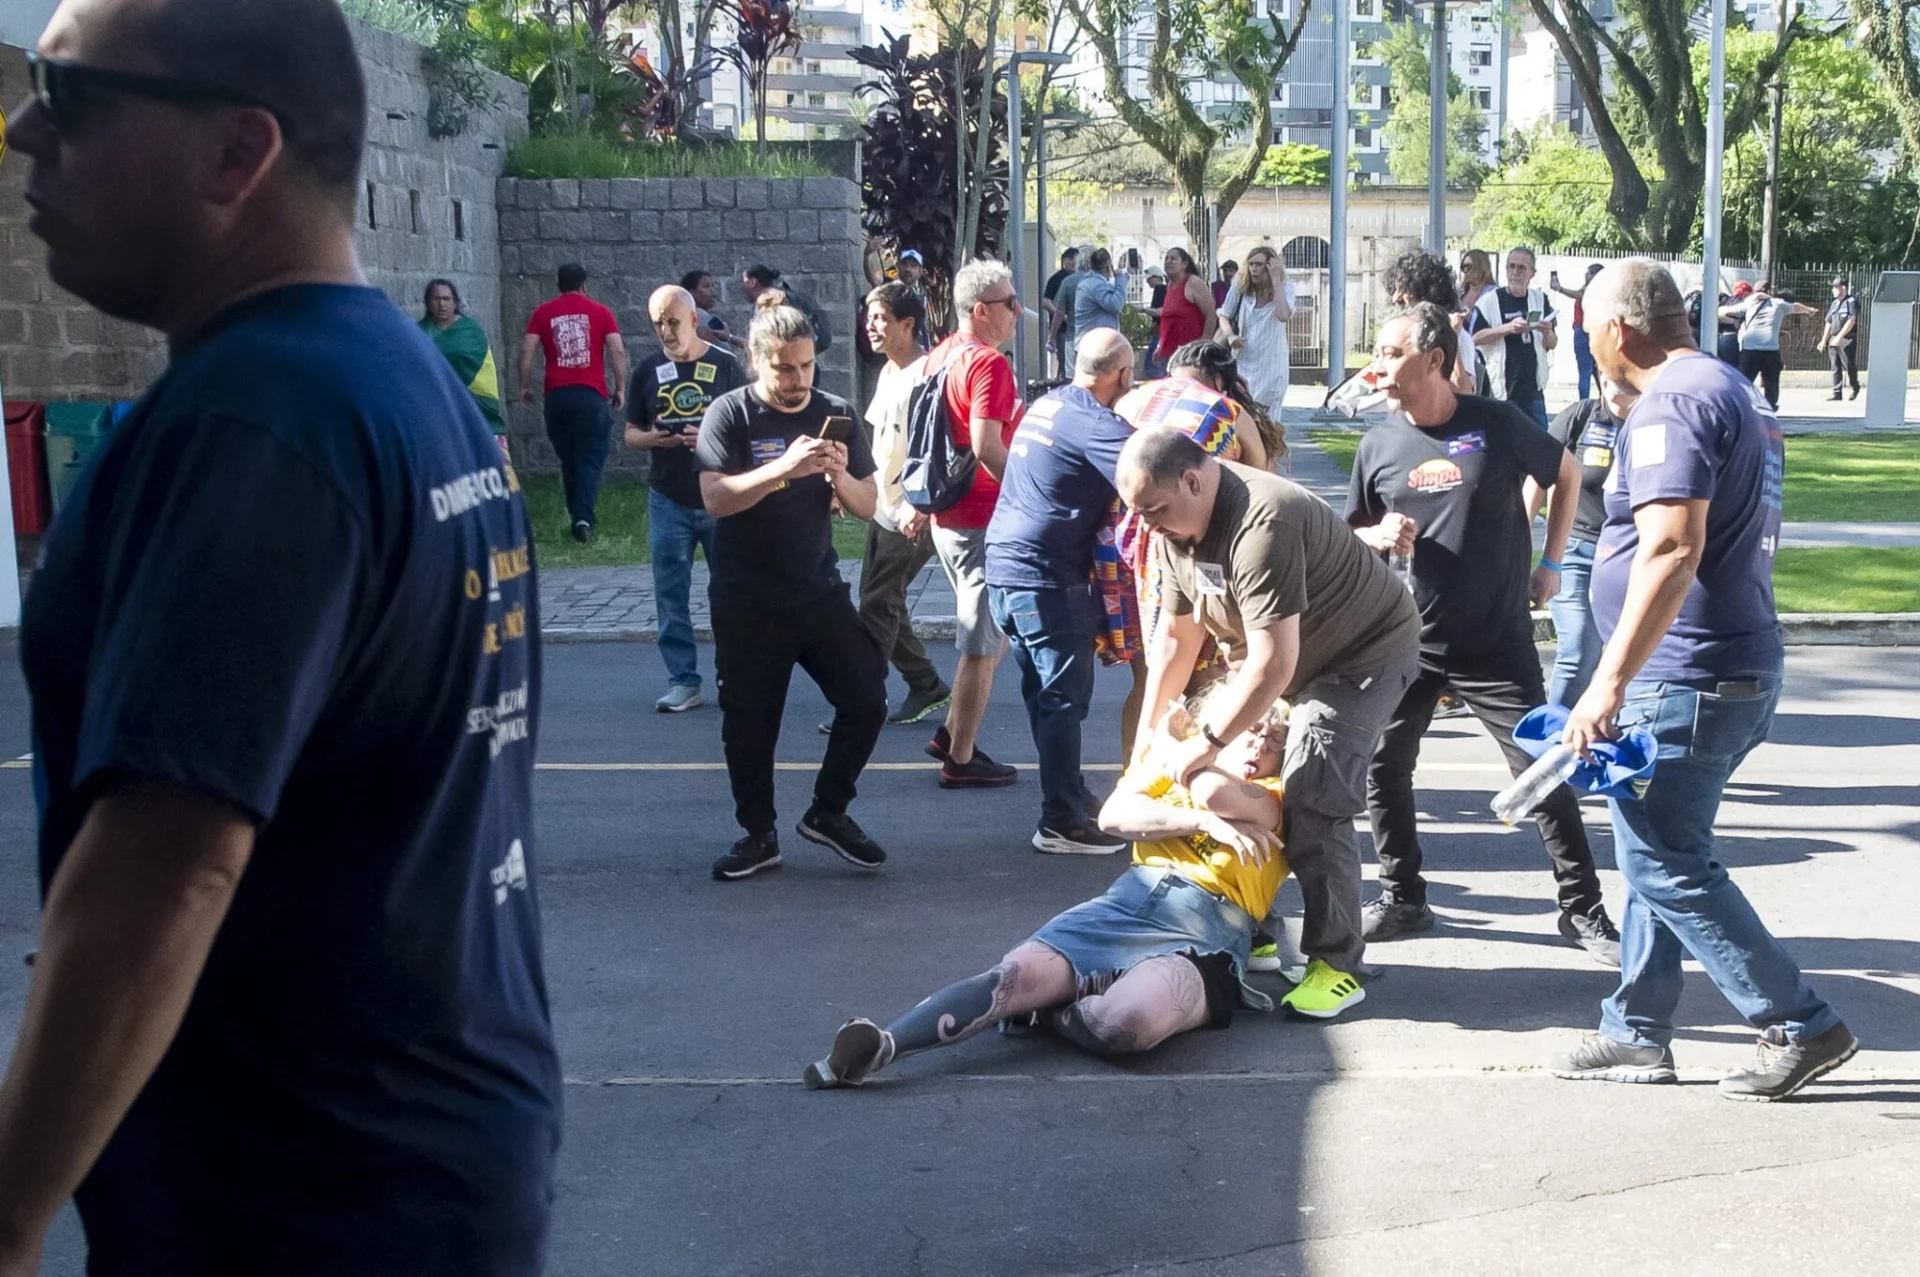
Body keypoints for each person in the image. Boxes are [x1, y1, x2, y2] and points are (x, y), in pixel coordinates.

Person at [2, 0, 561, 1271]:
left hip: (304, 1202)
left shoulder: (259, 425)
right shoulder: (394, 378)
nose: (25, 129)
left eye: (69, 95)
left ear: (235, 152)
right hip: (427, 1153)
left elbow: (167, 863)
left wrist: (8, 1207)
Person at [1551, 259, 1856, 1100]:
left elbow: (1673, 547)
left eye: (1586, 330)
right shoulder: (1737, 393)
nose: (1588, 346)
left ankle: (1798, 1020)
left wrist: (1606, 682)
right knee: (1666, 848)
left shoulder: (1672, 403)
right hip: (1729, 662)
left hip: (1685, 672)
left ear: (1617, 330)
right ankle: (1638, 1029)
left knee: (1662, 862)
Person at [803, 699, 1289, 1090]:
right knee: (1012, 975)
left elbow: (1212, 794)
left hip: (1205, 934)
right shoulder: (1171, 764)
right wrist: (1198, 818)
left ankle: (1048, 1011)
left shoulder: (1275, 796)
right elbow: (1116, 818)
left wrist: (1188, 749)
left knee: (1130, 1021)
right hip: (1127, 903)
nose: (1260, 746)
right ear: (1223, 725)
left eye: (1274, 740)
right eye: (1252, 729)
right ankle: (880, 1047)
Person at [1347, 305, 1621, 964]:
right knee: (1385, 766)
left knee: (1541, 770)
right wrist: (1376, 535)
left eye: (1389, 353)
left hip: (1494, 643)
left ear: (1435, 359)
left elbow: (1566, 472)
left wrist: (1551, 563)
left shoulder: (1494, 423)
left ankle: (1581, 909)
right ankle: (1404, 895)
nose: (1375, 367)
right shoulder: (1378, 445)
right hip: (1406, 641)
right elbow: (1346, 534)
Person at [1119, 423, 1422, 1019]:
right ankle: (1249, 920)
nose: (1146, 523)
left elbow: (1274, 665)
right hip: (1279, 660)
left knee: (1312, 792)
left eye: (1154, 508)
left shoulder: (1263, 522)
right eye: (1136, 511)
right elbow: (1177, 646)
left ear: (1192, 479)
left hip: (1359, 657)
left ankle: (1337, 965)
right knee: (1230, 780)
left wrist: (1205, 741)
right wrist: (1146, 750)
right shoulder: (1170, 532)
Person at [695, 294, 888, 880]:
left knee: (866, 697)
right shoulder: (729, 414)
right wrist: (785, 468)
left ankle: (829, 811)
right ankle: (758, 835)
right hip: (748, 598)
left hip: (817, 591)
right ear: (757, 361)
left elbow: (868, 502)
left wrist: (834, 470)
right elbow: (716, 499)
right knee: (751, 725)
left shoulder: (835, 410)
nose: (797, 379)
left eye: (805, 365)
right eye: (783, 367)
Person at [983, 328, 1139, 855]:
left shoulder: (1050, 404)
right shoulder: (1094, 422)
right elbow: (1151, 465)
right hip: (1046, 575)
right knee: (1062, 699)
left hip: (1007, 566)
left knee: (1044, 695)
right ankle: (1062, 821)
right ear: (1120, 374)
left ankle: (1068, 793)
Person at [1102, 342, 1270, 765]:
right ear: (1220, 381)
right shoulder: (1230, 412)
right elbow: (1259, 484)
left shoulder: (1134, 400)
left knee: (1151, 673)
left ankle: (1137, 776)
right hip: (1199, 540)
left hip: (1137, 543)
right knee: (1211, 674)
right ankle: (1204, 774)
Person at [919, 260, 1024, 790]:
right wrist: (1029, 494)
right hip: (981, 516)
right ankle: (959, 758)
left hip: (949, 513)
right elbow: (987, 446)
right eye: (1010, 303)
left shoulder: (941, 354)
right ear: (982, 310)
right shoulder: (987, 364)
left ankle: (951, 731)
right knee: (981, 643)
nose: (1018, 311)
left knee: (992, 629)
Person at [624, 284, 746, 713]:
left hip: (718, 498)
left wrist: (709, 440)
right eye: (658, 323)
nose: (665, 331)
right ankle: (683, 681)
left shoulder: (727, 367)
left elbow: (748, 436)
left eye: (673, 321)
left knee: (729, 592)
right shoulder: (647, 371)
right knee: (670, 593)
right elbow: (630, 433)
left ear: (694, 320)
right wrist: (652, 439)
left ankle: (735, 677)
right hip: (668, 499)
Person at [850, 282, 951, 727]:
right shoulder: (888, 371)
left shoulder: (927, 375)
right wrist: (854, 488)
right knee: (880, 600)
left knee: (877, 602)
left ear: (907, 324)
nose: (871, 327)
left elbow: (940, 449)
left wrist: (920, 505)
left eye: (881, 319)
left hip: (912, 512)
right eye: (869, 318)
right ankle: (925, 685)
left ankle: (861, 699)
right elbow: (881, 444)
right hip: (882, 506)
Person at [1529, 377, 1638, 708]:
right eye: (1605, 372)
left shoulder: (1654, 420)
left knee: (1627, 650)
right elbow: (1538, 478)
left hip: (1628, 557)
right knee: (1580, 646)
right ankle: (1556, 734)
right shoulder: (1581, 417)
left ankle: (1609, 724)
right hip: (1574, 550)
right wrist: (1524, 548)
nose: (1613, 379)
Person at [519, 261, 627, 543]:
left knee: (569, 459)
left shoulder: (542, 313)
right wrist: (621, 388)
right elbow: (616, 348)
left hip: (557, 397)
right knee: (590, 458)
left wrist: (525, 385)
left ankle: (575, 512)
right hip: (590, 395)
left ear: (559, 285)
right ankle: (583, 518)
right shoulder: (601, 312)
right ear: (584, 285)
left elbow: (527, 349)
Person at [1468, 247, 1556, 428]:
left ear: (1532, 273)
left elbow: (1552, 343)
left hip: (1533, 390)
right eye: (1511, 267)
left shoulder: (1540, 299)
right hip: (1501, 389)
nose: (1515, 273)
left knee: (1540, 446)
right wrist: (1508, 328)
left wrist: (1546, 331)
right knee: (1503, 446)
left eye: (1521, 268)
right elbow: (1475, 338)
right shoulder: (1489, 301)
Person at [420, 278, 507, 454]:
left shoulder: (470, 332)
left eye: (446, 299)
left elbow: (481, 367)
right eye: (436, 299)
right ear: (428, 303)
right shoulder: (418, 333)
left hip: (473, 406)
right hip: (435, 409)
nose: (441, 304)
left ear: (455, 302)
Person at [1384, 249, 1475, 395]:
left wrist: (1452, 339)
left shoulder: (1459, 338)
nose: (1395, 298)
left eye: (1403, 295)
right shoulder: (1400, 337)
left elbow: (1465, 393)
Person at [1217, 246, 1295, 413]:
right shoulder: (1241, 287)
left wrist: (1275, 280)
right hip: (1245, 359)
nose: (1253, 268)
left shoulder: (1286, 289)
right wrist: (1230, 336)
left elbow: (1283, 315)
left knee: (1268, 419)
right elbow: (1224, 314)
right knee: (1242, 412)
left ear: (1270, 266)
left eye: (1259, 264)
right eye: (1251, 264)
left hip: (1273, 364)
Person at [1722, 280, 1815, 411]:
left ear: (1755, 292)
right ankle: (1770, 409)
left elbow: (1724, 312)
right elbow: (1796, 307)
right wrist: (1809, 310)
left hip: (1750, 350)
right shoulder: (1779, 304)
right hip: (1770, 350)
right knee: (1771, 383)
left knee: (1744, 382)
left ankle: (1742, 407)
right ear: (1769, 291)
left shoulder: (1749, 304)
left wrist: (1734, 321)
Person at [742, 263, 831, 354]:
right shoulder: (766, 303)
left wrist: (729, 337)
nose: (742, 288)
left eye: (744, 282)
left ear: (752, 282)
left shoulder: (776, 302)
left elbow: (769, 344)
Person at [1155, 247, 1218, 369]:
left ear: (1184, 264)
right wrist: (1160, 345)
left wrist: (1203, 344)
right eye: (1166, 258)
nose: (1168, 261)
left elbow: (1211, 315)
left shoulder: (1193, 282)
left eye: (1173, 258)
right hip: (1169, 355)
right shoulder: (1170, 286)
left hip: (1190, 357)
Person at [1551, 262, 1606, 400]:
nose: (1585, 275)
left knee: (1584, 370)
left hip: (1583, 330)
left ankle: (1584, 402)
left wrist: (1560, 289)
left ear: (1595, 276)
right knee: (1595, 368)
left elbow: (1578, 295)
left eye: (1589, 272)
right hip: (1594, 330)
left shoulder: (1592, 290)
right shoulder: (1601, 290)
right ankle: (1603, 399)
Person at [1816, 276, 1860, 402]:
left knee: (1848, 365)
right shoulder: (1834, 303)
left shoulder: (1851, 302)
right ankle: (1836, 392)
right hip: (1833, 338)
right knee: (1835, 366)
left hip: (1846, 339)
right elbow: (1828, 322)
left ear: (1843, 287)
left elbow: (1851, 320)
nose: (1833, 290)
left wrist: (1840, 337)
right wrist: (1824, 340)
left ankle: (1854, 387)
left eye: (1835, 287)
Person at [1072, 247, 1128, 341]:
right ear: (1108, 267)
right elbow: (1115, 305)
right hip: (1095, 344)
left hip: (1090, 341)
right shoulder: (1097, 285)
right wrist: (1121, 279)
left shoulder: (1090, 281)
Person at [1041, 245, 1080, 380]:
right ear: (1065, 260)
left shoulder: (1081, 278)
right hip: (1063, 329)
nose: (1074, 263)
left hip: (1079, 328)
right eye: (1072, 259)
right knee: (1064, 364)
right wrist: (1062, 316)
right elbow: (1046, 301)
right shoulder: (1057, 279)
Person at [1053, 246, 1094, 371]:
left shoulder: (1068, 282)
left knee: (1072, 376)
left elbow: (1059, 312)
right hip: (1096, 337)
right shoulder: (1102, 282)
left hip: (1073, 336)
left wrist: (1051, 337)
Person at [680, 268, 738, 350]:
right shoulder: (701, 316)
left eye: (713, 286)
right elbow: (724, 349)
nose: (713, 291)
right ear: (692, 292)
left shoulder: (682, 317)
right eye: (706, 286)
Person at [894, 248, 933, 347]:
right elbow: (873, 278)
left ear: (920, 271)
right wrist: (867, 256)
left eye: (913, 266)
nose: (908, 269)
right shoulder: (890, 289)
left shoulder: (921, 296)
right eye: (905, 264)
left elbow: (924, 328)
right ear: (898, 267)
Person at [1142, 264, 1169, 377]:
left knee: (1152, 365)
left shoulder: (1159, 289)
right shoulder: (1166, 289)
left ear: (1156, 277)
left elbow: (1159, 311)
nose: (1148, 281)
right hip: (1162, 329)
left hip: (1159, 329)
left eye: (1149, 278)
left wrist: (1144, 309)